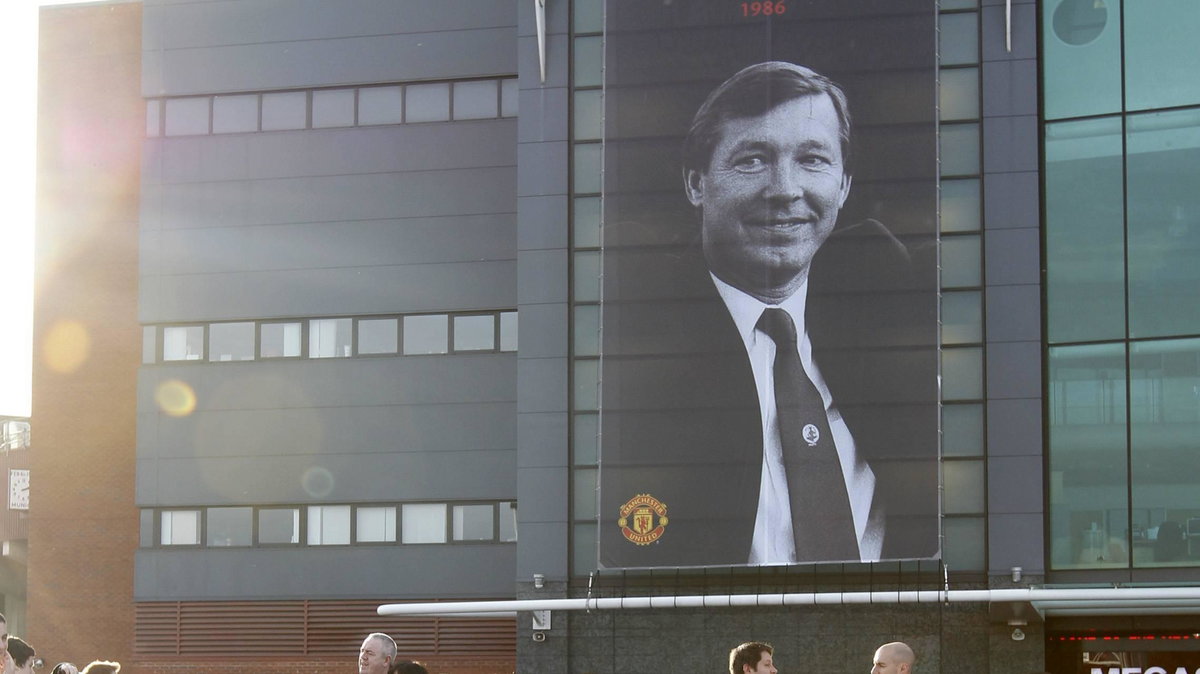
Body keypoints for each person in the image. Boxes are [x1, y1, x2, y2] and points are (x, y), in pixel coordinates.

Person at [600, 60, 938, 568]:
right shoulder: (628, 340)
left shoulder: (889, 314)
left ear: (844, 185)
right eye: (753, 160)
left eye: (813, 159)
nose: (784, 189)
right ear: (697, 183)